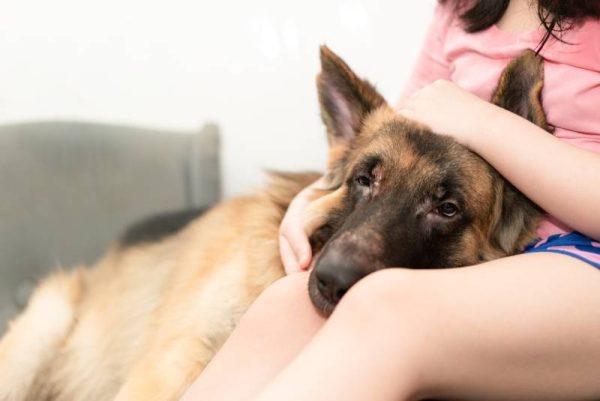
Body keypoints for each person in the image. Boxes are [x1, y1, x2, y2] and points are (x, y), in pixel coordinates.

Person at [181, 0, 600, 399]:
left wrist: (483, 121)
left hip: (582, 256)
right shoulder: (462, 6)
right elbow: (399, 138)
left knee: (384, 308)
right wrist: (315, 197)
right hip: (501, 260)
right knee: (285, 304)